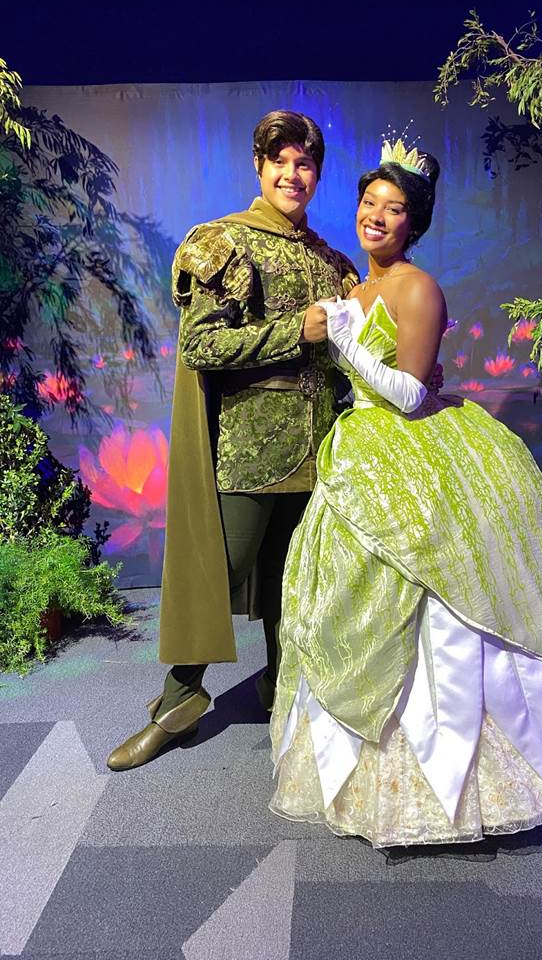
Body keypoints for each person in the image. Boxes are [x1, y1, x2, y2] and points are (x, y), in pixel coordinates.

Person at [268, 138, 542, 846]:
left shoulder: (417, 287)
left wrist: (346, 345)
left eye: (393, 208)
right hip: (360, 452)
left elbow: (412, 395)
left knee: (452, 582)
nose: (376, 216)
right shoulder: (355, 287)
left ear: (413, 223)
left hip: (416, 444)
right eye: (369, 202)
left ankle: (493, 769)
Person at [107, 110, 359, 771]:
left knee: (292, 582)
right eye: (280, 162)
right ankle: (178, 703)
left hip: (320, 452)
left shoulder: (332, 261)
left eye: (304, 164)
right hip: (251, 452)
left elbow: (346, 359)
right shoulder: (227, 243)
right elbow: (201, 346)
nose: (292, 174)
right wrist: (294, 332)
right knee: (217, 574)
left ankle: (282, 689)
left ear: (317, 173)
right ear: (259, 166)